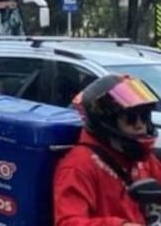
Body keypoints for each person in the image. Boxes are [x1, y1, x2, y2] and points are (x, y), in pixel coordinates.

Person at [53, 74, 161, 226]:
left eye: (144, 116)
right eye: (130, 118)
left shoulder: (142, 158)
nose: (139, 125)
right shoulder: (79, 166)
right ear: (108, 121)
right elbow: (67, 222)